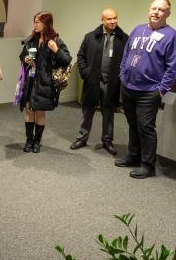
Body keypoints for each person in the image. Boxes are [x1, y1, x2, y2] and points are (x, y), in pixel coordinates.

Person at [115, 0, 176, 179]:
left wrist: (161, 90)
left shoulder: (172, 36)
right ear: (149, 10)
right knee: (132, 124)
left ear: (168, 13)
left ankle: (147, 164)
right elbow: (126, 54)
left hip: (149, 91)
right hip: (128, 87)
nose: (156, 12)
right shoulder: (138, 30)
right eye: (154, 8)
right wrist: (122, 76)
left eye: (161, 9)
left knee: (146, 127)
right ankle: (133, 156)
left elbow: (173, 67)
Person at [71, 8, 128, 155]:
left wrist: (121, 78)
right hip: (93, 81)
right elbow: (81, 56)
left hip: (111, 83)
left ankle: (107, 140)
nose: (112, 21)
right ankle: (82, 138)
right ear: (102, 20)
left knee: (108, 112)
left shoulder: (124, 39)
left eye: (115, 18)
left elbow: (127, 61)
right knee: (87, 110)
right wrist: (86, 74)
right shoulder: (90, 37)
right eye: (109, 19)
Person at [15, 12, 72, 153]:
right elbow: (22, 56)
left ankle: (37, 141)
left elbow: (67, 60)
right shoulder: (31, 39)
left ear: (46, 24)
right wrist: (25, 59)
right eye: (34, 22)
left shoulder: (55, 40)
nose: (35, 25)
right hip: (30, 81)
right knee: (29, 110)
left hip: (45, 83)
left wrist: (56, 50)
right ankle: (29, 140)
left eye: (38, 22)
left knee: (40, 112)